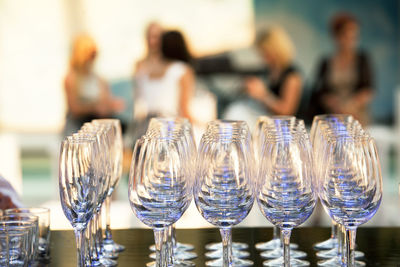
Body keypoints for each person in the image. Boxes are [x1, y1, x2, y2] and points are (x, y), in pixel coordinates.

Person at [310, 13, 374, 125]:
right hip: (333, 117)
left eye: (354, 37)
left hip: (358, 118)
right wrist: (336, 106)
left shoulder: (363, 60)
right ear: (336, 36)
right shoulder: (326, 62)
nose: (351, 41)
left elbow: (368, 89)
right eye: (347, 36)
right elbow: (320, 91)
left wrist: (351, 105)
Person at [133, 26, 195, 129]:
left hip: (147, 126)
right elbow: (184, 110)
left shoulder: (142, 70)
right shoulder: (182, 70)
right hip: (168, 127)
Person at [64, 34, 124, 135]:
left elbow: (107, 102)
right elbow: (75, 108)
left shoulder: (99, 79)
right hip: (78, 128)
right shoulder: (72, 78)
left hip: (96, 129)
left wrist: (110, 105)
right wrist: (95, 107)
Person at [244, 26, 303, 117]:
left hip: (286, 127)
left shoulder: (292, 76)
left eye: (266, 53)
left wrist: (263, 95)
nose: (263, 58)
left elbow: (287, 111)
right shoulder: (269, 71)